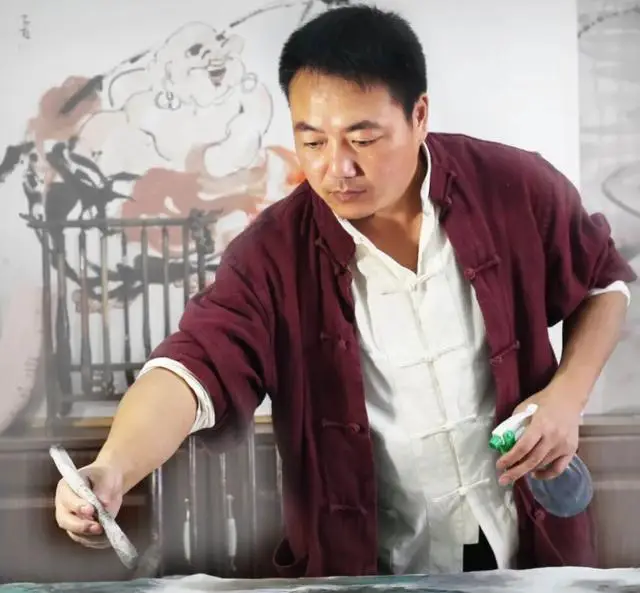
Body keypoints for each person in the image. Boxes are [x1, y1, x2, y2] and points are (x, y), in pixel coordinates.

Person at [54, 5, 636, 577]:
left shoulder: (513, 186)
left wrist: (567, 395)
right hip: (371, 565)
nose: (337, 169)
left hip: (524, 543)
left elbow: (603, 283)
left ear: (418, 115)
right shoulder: (272, 253)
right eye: (312, 142)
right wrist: (113, 468)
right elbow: (192, 366)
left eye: (362, 139)